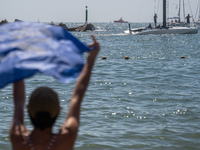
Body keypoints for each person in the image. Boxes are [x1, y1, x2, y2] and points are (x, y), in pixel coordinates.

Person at [10, 34, 100, 150]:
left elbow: (19, 101)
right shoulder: (66, 139)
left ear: (29, 110)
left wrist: (17, 60)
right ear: (58, 111)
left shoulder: (18, 139)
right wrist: (90, 59)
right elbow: (77, 97)